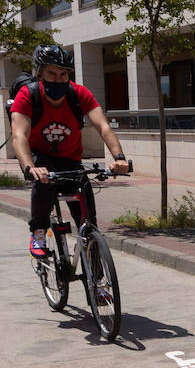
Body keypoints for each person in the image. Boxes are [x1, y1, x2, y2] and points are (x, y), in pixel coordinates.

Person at [12, 43, 129, 259]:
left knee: (89, 225)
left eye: (64, 74)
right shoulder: (28, 95)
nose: (58, 79)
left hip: (70, 159)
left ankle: (99, 284)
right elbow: (20, 136)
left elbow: (103, 126)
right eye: (52, 73)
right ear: (40, 73)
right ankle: (38, 231)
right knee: (44, 180)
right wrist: (30, 167)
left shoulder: (79, 94)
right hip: (40, 156)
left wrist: (119, 158)